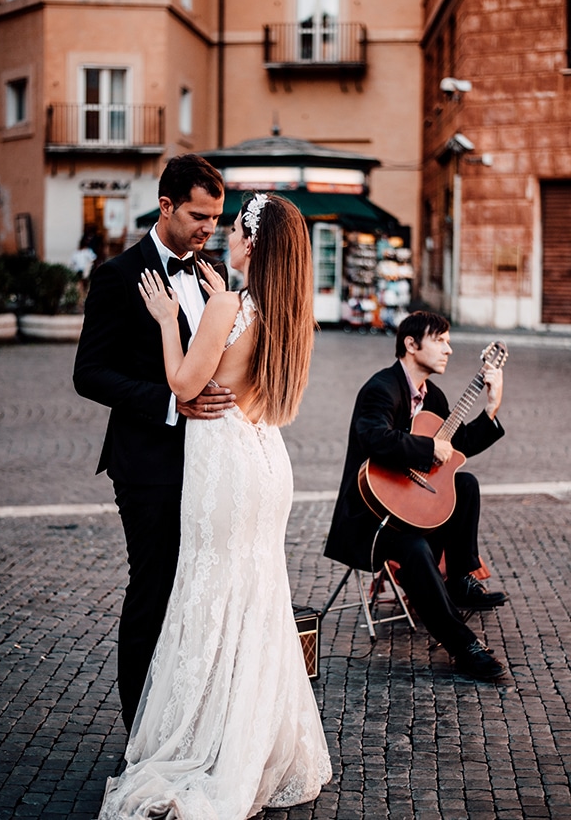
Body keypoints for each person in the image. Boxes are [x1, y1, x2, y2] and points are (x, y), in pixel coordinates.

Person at [98, 193, 332, 819]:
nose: (221, 236)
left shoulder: (229, 303)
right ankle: (256, 742)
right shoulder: (282, 311)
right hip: (264, 458)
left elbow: (184, 384)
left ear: (250, 243)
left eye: (231, 229)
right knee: (255, 598)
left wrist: (169, 317)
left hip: (224, 464)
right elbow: (244, 366)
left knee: (209, 590)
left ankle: (205, 743)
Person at [73, 154, 235, 732]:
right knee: (155, 587)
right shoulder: (119, 275)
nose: (207, 228)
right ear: (165, 206)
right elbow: (89, 374)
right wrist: (172, 403)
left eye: (216, 218)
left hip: (207, 463)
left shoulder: (210, 270)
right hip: (146, 464)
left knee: (194, 588)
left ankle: (182, 720)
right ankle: (139, 730)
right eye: (198, 215)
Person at [324, 310, 509, 681]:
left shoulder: (433, 396)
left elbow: (453, 450)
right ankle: (463, 646)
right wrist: (427, 450)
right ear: (411, 344)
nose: (449, 349)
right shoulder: (381, 388)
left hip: (414, 507)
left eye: (449, 341)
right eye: (440, 340)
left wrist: (491, 408)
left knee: (466, 484)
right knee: (414, 548)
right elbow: (372, 437)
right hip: (372, 517)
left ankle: (459, 578)